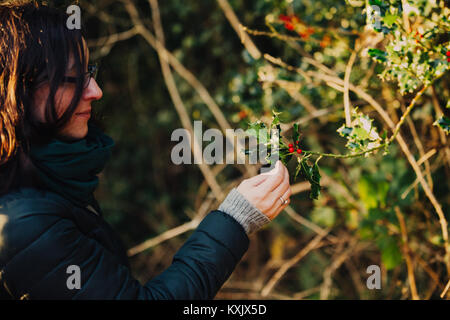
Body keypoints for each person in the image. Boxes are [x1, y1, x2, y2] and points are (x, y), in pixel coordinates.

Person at [0, 1, 292, 299]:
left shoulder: (45, 184)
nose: (95, 91)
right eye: (73, 78)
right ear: (18, 89)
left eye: (89, 71)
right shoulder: (25, 225)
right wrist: (237, 219)